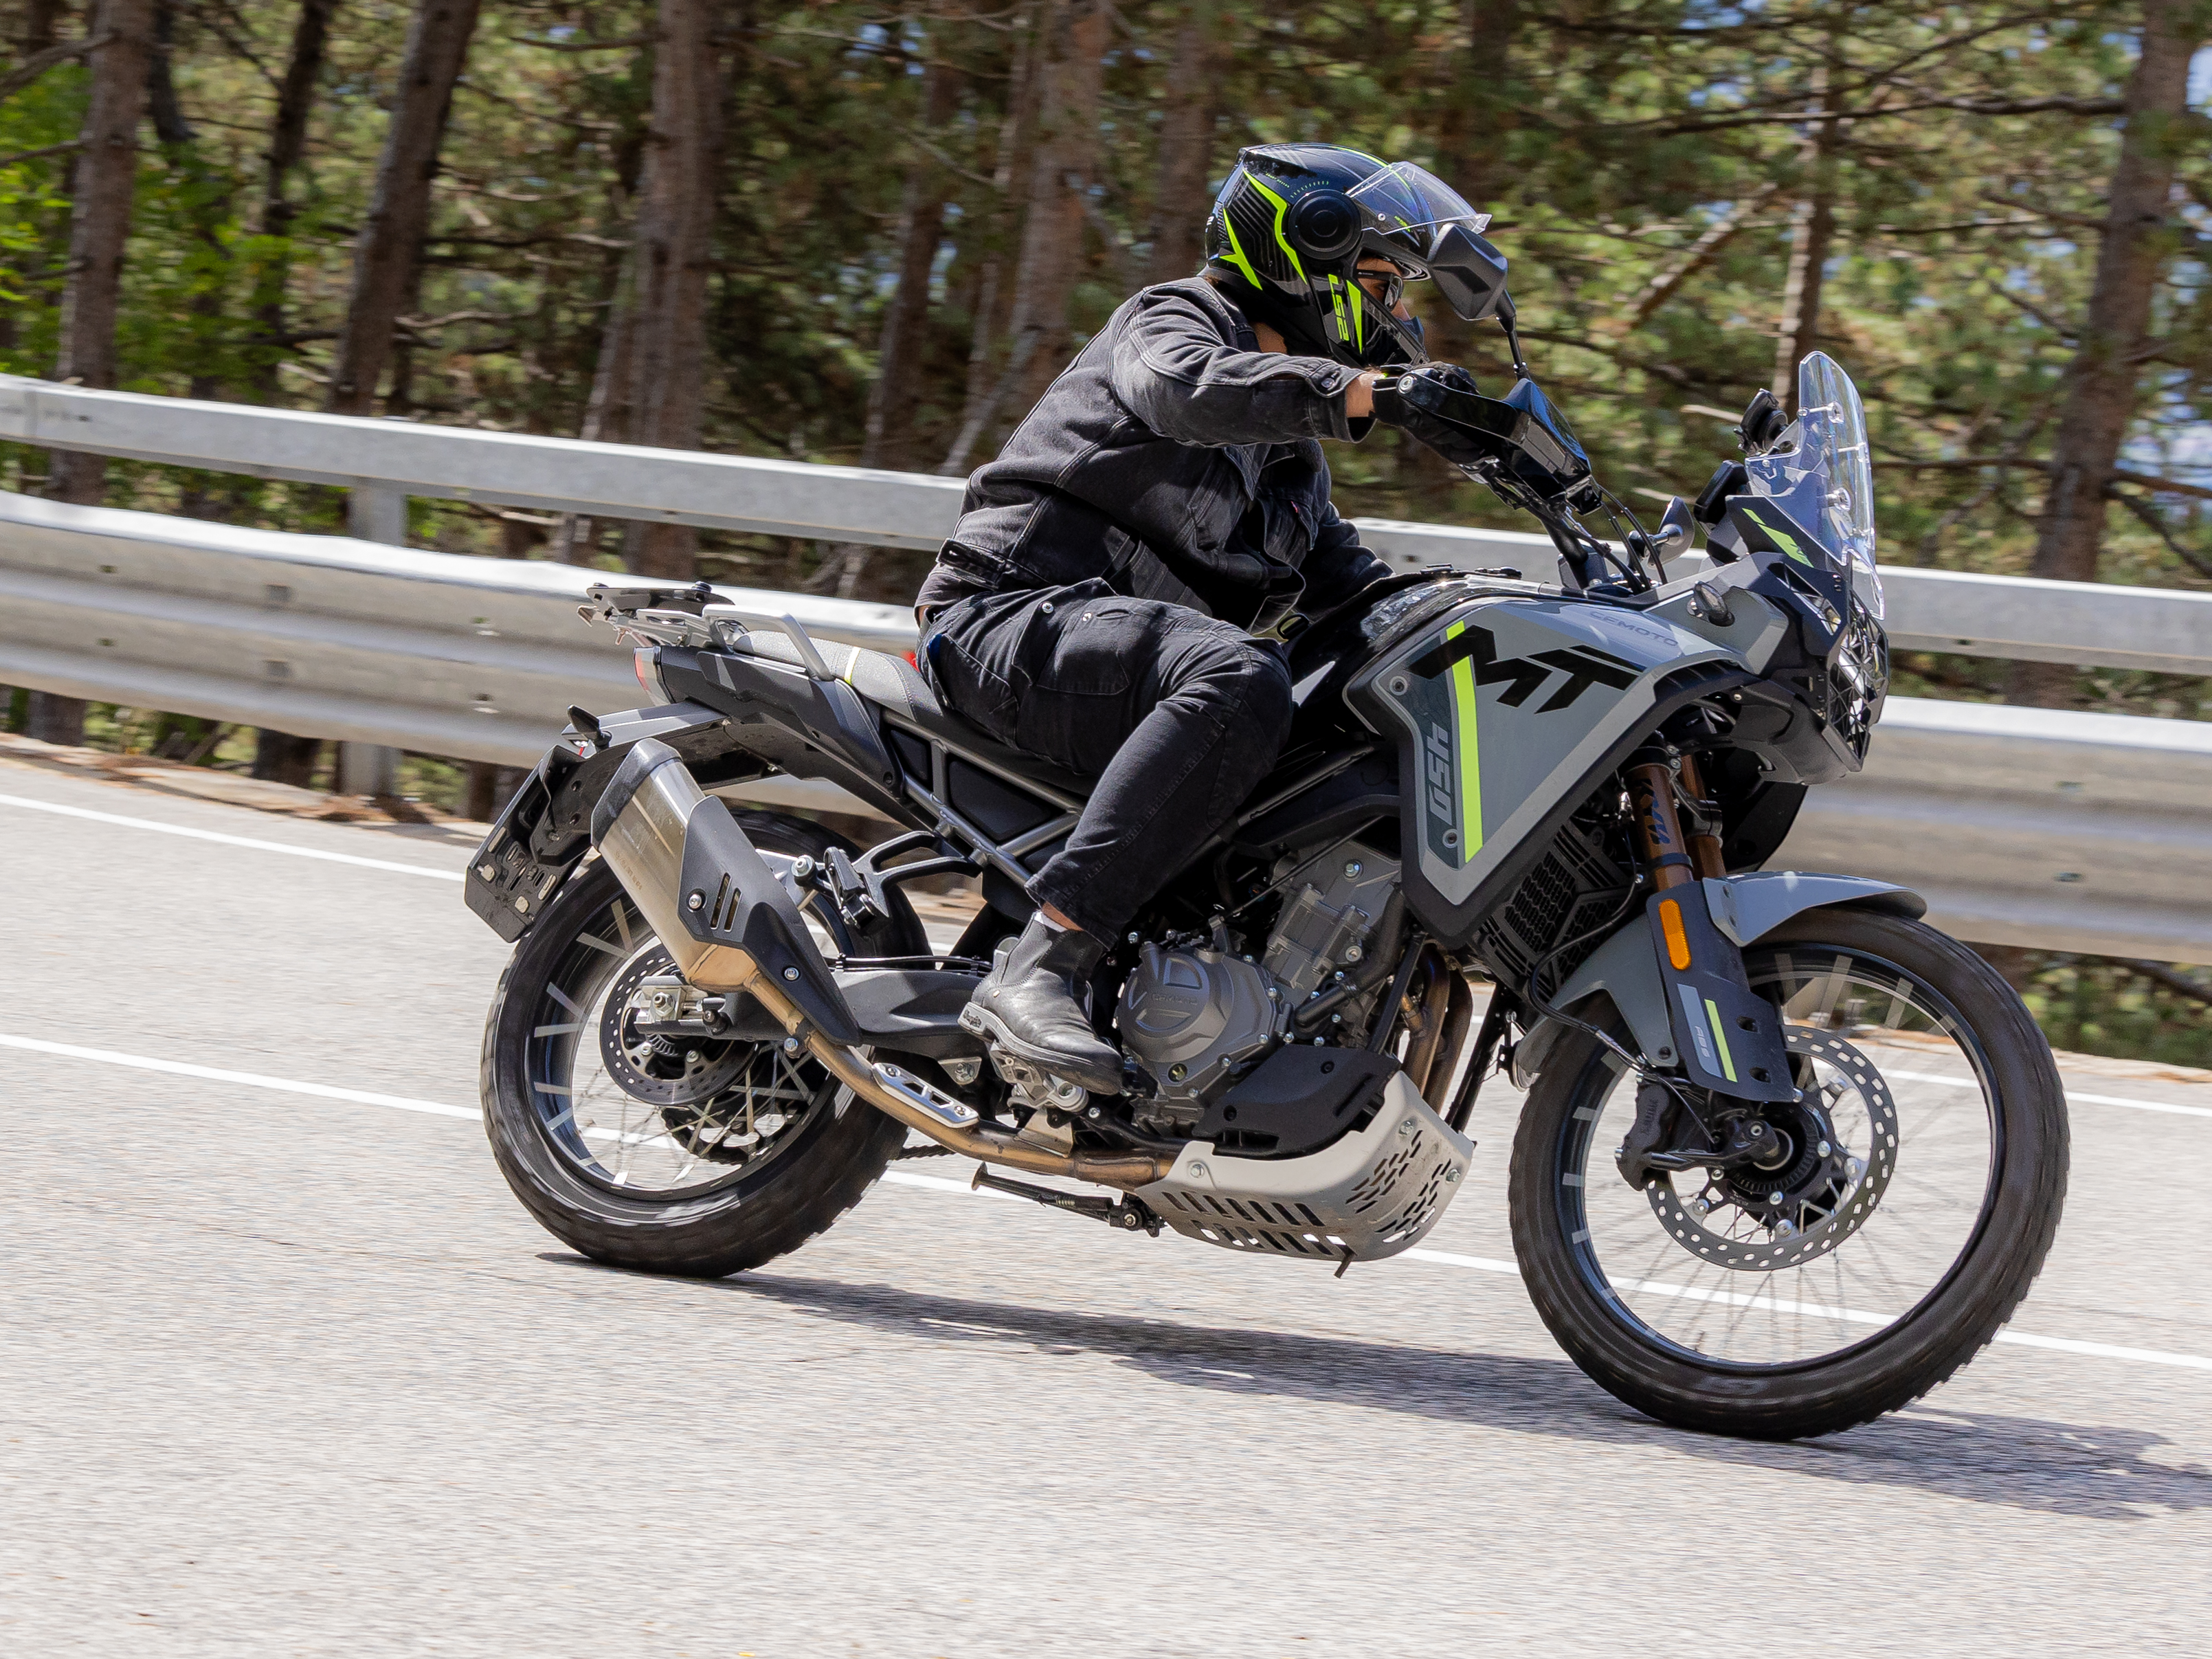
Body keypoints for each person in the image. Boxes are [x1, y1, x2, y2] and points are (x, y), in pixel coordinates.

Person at [915, 142, 1508, 1093]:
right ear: (1305, 250)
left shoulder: (1291, 467)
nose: (1400, 313)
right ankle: (1042, 967)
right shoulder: (1174, 319)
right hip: (1008, 617)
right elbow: (1184, 388)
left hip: (1118, 669)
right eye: (1382, 282)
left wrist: (1483, 610)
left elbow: (1355, 596)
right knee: (1239, 677)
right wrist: (1368, 393)